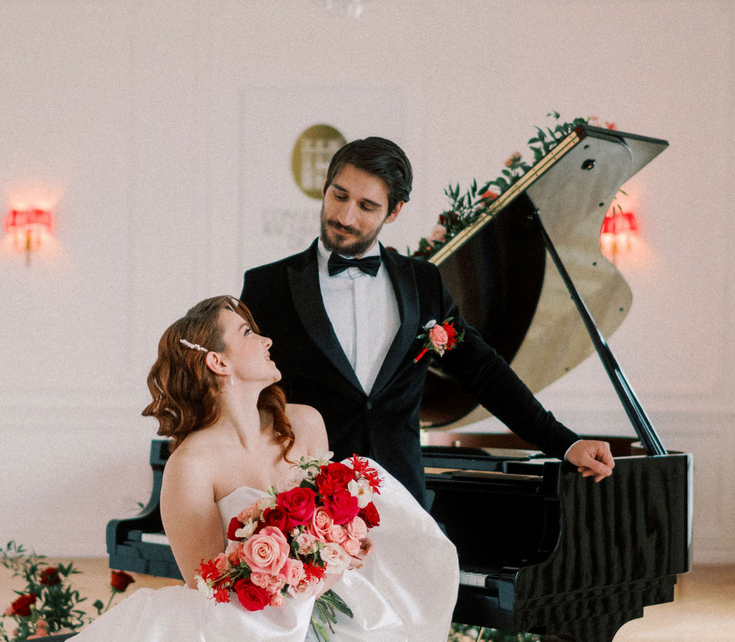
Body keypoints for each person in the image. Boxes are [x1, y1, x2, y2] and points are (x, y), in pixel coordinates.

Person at [50, 294, 460, 642]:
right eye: (248, 333)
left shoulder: (305, 423)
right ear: (219, 361)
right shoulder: (190, 464)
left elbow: (335, 532)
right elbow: (211, 587)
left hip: (334, 613)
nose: (266, 342)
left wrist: (344, 547)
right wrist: (291, 581)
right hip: (245, 636)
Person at [239, 136, 614, 506]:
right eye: (339, 196)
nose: (345, 216)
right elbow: (238, 391)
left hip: (403, 500)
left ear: (395, 210)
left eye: (367, 206)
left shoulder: (423, 283)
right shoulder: (267, 286)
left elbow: (484, 372)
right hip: (305, 504)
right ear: (325, 188)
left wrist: (566, 442)